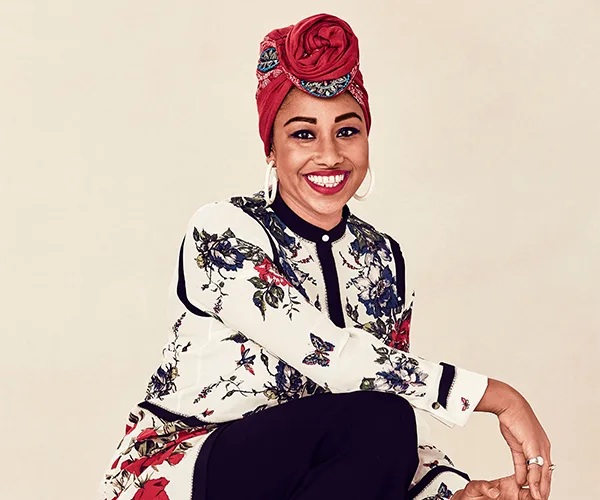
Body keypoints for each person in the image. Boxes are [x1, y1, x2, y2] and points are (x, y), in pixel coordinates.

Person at [99, 13, 553, 500]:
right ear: (271, 147)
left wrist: (455, 491)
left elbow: (377, 419)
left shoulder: (383, 260)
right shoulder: (222, 230)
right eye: (303, 134)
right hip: (189, 469)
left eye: (347, 131)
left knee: (385, 420)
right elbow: (332, 358)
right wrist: (496, 397)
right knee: (382, 416)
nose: (330, 155)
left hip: (306, 485)